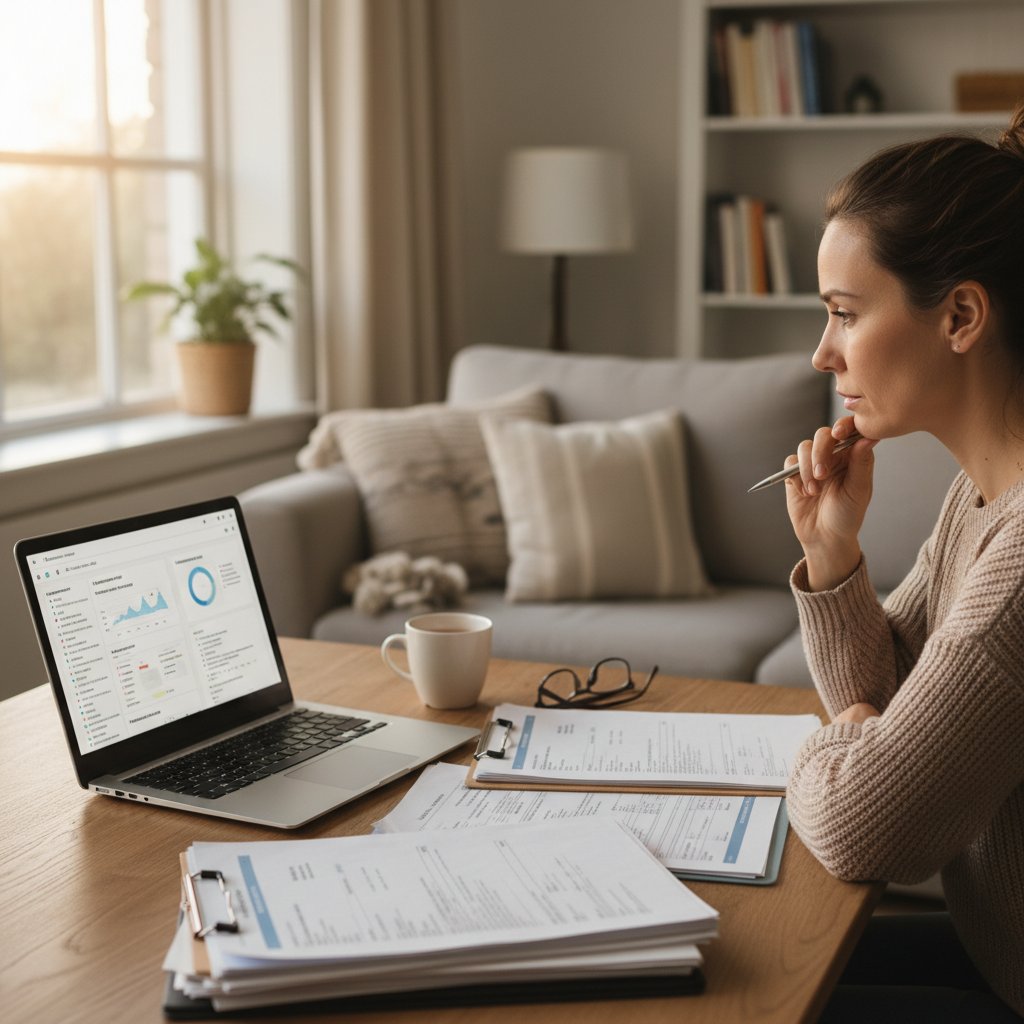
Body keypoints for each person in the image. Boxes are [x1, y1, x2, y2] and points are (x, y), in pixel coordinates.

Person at [782, 103, 1024, 1023]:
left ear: (961, 314)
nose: (822, 351)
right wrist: (834, 556)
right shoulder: (981, 498)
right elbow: (888, 682)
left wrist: (832, 746)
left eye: (844, 312)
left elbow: (864, 827)